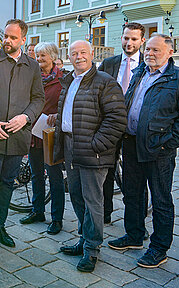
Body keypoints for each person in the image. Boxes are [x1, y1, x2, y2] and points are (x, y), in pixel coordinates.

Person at [108, 34, 179, 268]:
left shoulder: (177, 78)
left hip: (158, 149)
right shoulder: (140, 71)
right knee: (133, 192)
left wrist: (169, 142)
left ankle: (159, 248)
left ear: (170, 52)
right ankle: (134, 236)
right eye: (148, 49)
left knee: (161, 200)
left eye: (156, 50)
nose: (150, 53)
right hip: (131, 143)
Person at [54, 40, 127, 273]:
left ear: (92, 54)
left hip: (93, 152)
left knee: (93, 201)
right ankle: (84, 241)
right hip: (70, 147)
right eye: (74, 53)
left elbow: (117, 119)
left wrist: (97, 145)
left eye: (83, 52)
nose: (78, 57)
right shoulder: (69, 80)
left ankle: (92, 250)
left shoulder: (105, 82)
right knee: (76, 196)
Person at [0, 19, 45, 251]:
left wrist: (25, 117)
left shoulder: (32, 66)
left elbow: (38, 99)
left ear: (23, 39)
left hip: (17, 136)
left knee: (6, 183)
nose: (7, 40)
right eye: (5, 36)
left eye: (13, 37)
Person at [98, 23, 145, 224]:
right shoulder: (109, 64)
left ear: (142, 41)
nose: (129, 42)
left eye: (134, 39)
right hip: (110, 126)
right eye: (126, 38)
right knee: (106, 172)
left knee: (136, 177)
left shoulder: (148, 63)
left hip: (136, 130)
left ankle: (136, 220)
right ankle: (105, 212)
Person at [19, 42, 65, 235]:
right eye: (37, 56)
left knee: (55, 178)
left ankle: (57, 219)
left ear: (53, 57)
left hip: (50, 134)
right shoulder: (32, 77)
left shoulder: (63, 79)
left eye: (43, 56)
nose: (38, 60)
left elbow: (68, 103)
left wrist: (58, 114)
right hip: (33, 133)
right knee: (37, 175)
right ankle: (37, 211)